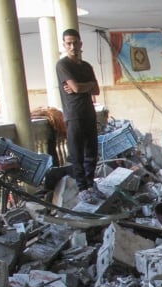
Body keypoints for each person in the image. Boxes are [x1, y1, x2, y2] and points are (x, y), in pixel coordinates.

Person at [56, 28, 103, 204]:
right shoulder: (63, 65)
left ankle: (91, 185)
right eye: (69, 43)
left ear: (80, 44)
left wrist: (83, 86)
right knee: (77, 154)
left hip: (89, 113)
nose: (73, 46)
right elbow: (75, 88)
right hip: (73, 114)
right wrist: (87, 86)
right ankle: (82, 188)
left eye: (75, 42)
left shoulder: (86, 66)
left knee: (92, 151)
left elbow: (96, 90)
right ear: (64, 45)